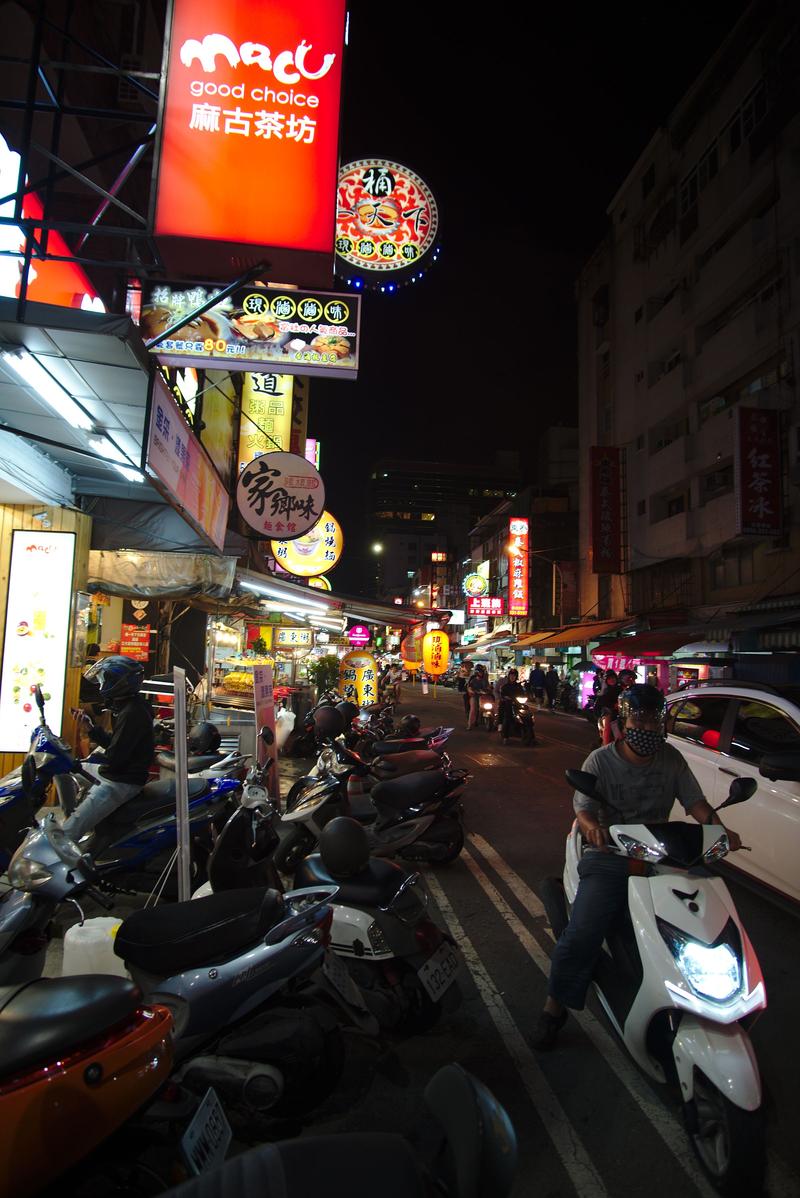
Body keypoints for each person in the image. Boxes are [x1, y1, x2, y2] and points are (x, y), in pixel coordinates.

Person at [530, 684, 742, 1049]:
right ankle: (554, 1005)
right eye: (638, 719)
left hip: (663, 851)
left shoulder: (671, 759)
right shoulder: (600, 760)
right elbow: (583, 808)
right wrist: (593, 827)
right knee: (583, 932)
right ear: (623, 722)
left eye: (653, 720)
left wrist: (719, 829)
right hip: (611, 851)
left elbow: (696, 803)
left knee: (704, 915)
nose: (645, 727)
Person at [65, 655, 155, 842]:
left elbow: (115, 757)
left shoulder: (132, 713)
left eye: (104, 679)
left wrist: (85, 762)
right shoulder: (129, 706)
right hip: (114, 774)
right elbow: (115, 744)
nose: (100, 683)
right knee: (63, 771)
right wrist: (90, 728)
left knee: (68, 833)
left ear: (117, 683)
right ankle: (75, 815)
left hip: (120, 782)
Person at [498, 668, 526, 743]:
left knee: (527, 715)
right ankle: (505, 736)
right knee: (507, 717)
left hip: (518, 705)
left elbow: (523, 695)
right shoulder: (505, 686)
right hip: (508, 705)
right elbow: (502, 695)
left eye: (514, 675)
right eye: (511, 675)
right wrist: (506, 698)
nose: (512, 677)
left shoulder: (519, 686)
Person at [466, 663, 491, 730]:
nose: (481, 673)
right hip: (475, 696)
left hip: (484, 697)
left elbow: (488, 687)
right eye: (480, 672)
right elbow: (469, 688)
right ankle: (469, 724)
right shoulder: (473, 680)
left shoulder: (485, 680)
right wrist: (473, 691)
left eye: (482, 672)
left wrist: (490, 689)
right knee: (473, 709)